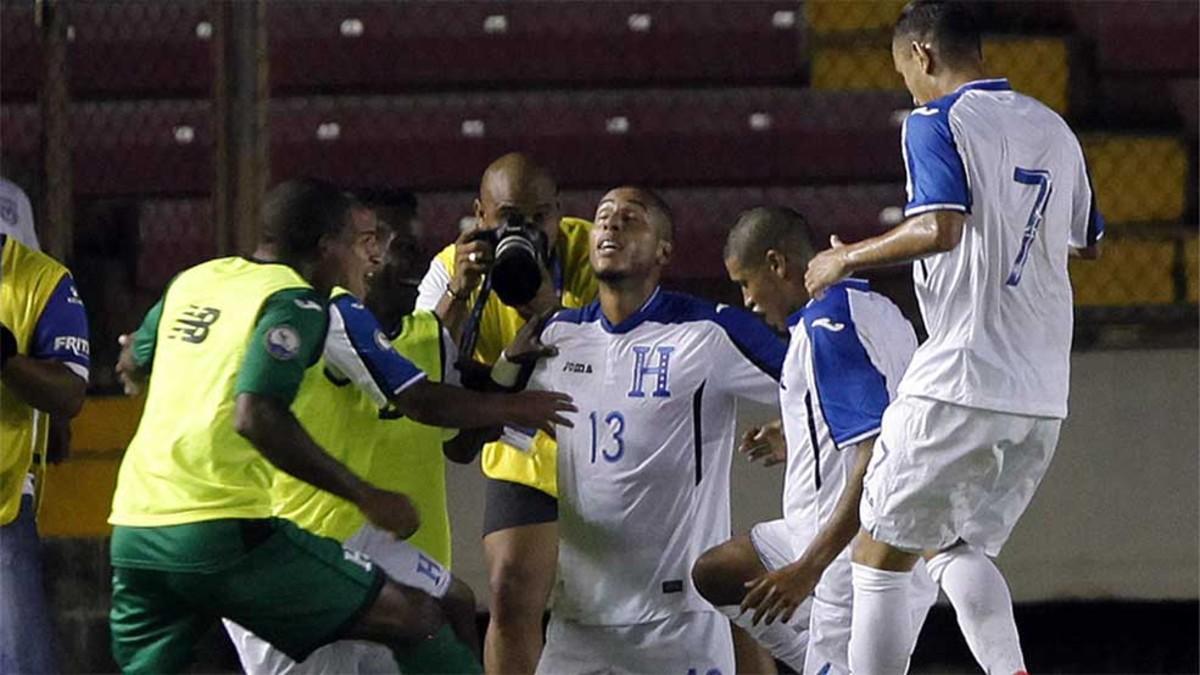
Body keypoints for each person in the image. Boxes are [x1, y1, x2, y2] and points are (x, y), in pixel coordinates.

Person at [107, 179, 573, 674]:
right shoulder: (306, 305)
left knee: (446, 605)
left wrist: (139, 367)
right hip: (244, 525)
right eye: (364, 243)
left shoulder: (197, 280)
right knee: (415, 618)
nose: (372, 258)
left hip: (136, 521)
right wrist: (366, 495)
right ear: (328, 247)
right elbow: (259, 414)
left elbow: (133, 358)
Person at [803, 3, 1104, 673]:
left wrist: (844, 256)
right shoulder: (1054, 127)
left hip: (963, 375)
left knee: (876, 559)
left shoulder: (934, 121)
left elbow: (940, 226)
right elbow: (1088, 243)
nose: (906, 87)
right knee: (954, 546)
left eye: (902, 71)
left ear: (924, 55)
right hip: (1041, 395)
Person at [504, 187, 787, 673]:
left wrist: (793, 429)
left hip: (677, 621)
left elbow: (812, 381)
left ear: (664, 250)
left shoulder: (707, 332)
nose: (611, 226)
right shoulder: (557, 338)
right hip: (579, 620)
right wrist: (508, 366)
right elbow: (498, 435)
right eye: (603, 217)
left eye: (630, 219)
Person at [223, 193, 502, 674]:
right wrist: (517, 403)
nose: (403, 250)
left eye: (409, 239)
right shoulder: (316, 319)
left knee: (456, 608)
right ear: (351, 250)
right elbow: (419, 400)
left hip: (402, 566)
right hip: (315, 553)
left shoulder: (429, 337)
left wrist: (506, 379)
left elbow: (458, 444)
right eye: (382, 239)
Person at [691, 207, 937, 675]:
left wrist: (809, 570)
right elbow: (885, 407)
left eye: (746, 283)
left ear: (777, 265)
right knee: (718, 572)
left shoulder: (827, 329)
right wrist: (800, 437)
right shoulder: (879, 311)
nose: (746, 301)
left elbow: (875, 456)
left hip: (850, 557)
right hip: (842, 534)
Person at [415, 152, 597, 672]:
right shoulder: (453, 266)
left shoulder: (593, 248)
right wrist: (458, 295)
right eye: (510, 215)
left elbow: (613, 347)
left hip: (605, 447)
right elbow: (422, 364)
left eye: (540, 215)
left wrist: (548, 306)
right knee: (510, 591)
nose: (528, 228)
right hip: (524, 449)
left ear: (559, 211)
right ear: (481, 214)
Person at [0, 233, 89, 674]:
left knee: (22, 664)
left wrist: (6, 359)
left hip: (3, 508)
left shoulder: (42, 281)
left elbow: (69, 393)